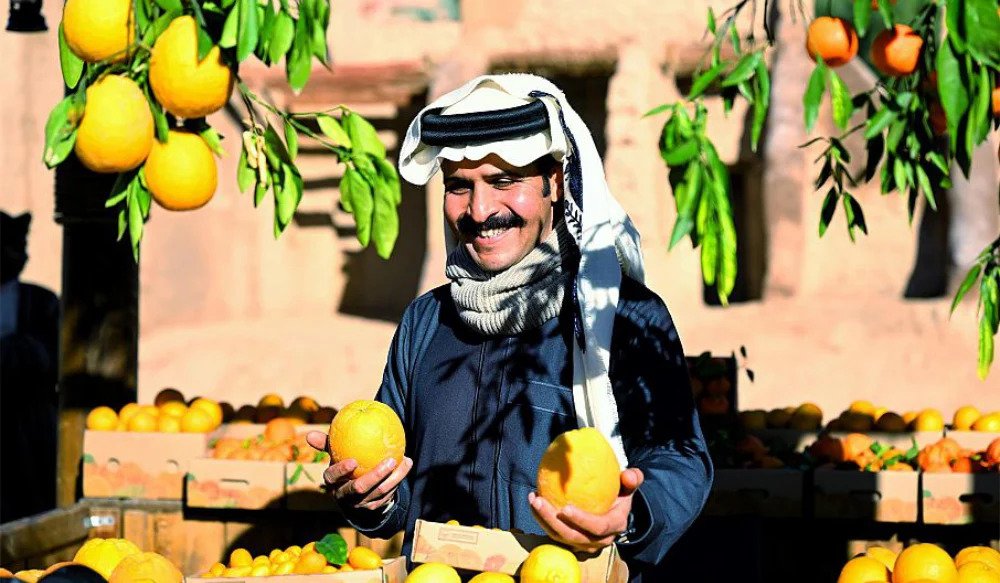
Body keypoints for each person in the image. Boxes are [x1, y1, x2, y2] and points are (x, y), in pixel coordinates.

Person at [307, 74, 712, 580]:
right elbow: (397, 477)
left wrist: (635, 514)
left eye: (504, 181)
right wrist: (369, 498)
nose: (479, 211)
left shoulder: (624, 315)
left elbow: (681, 458)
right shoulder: (424, 322)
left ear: (556, 184)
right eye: (459, 186)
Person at [1, 211, 60, 522]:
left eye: (21, 247)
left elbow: (52, 362)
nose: (19, 256)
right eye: (9, 247)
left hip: (30, 428)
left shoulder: (42, 302)